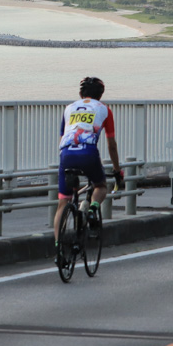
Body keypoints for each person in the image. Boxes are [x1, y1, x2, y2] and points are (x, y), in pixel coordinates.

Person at [54, 76, 124, 258]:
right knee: (101, 186)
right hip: (88, 154)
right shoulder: (105, 110)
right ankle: (93, 208)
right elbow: (111, 144)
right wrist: (117, 170)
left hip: (66, 155)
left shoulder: (69, 109)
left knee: (63, 202)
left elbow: (62, 138)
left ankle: (58, 248)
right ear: (101, 95)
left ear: (80, 93)